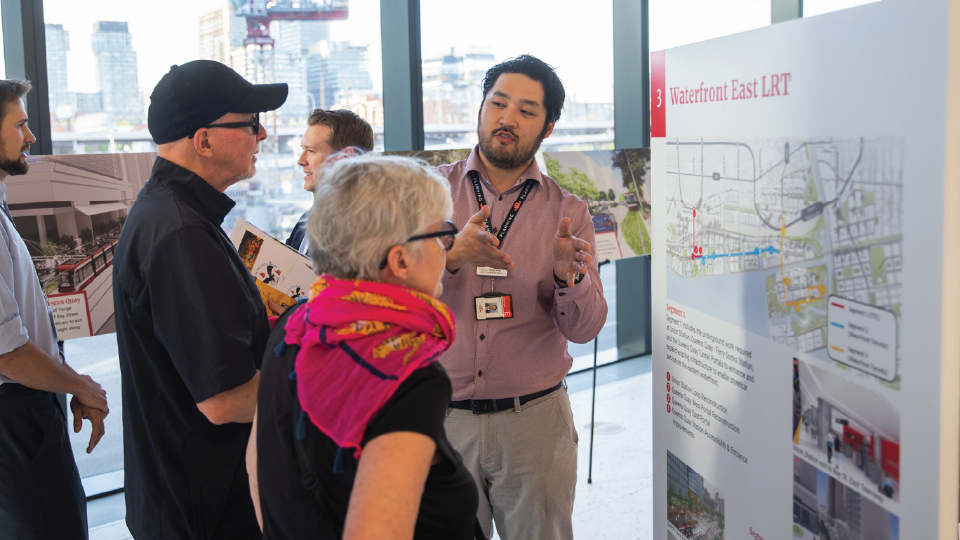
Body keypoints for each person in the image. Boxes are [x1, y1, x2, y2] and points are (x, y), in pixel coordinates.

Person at [249, 154, 479, 540]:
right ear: (400, 260)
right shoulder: (406, 374)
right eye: (441, 234)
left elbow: (258, 467)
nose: (447, 247)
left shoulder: (296, 324)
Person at [435, 55, 608, 539]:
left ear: (548, 127)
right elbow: (391, 298)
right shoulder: (430, 194)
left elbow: (586, 328)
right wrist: (448, 258)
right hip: (441, 421)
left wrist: (566, 278)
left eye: (527, 111)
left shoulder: (568, 212)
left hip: (533, 422)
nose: (507, 119)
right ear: (482, 108)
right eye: (499, 103)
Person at [112, 60, 287, 540]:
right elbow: (224, 399)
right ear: (203, 140)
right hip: (206, 509)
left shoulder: (169, 213)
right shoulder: (182, 233)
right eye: (250, 124)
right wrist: (332, 384)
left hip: (187, 496)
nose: (263, 134)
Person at [0, 78, 109, 540]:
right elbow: (8, 353)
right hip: (15, 415)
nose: (30, 137)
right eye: (20, 125)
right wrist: (81, 385)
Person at [285, 109, 374, 254]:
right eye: (303, 150)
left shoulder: (371, 230)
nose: (300, 161)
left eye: (311, 151)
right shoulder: (305, 221)